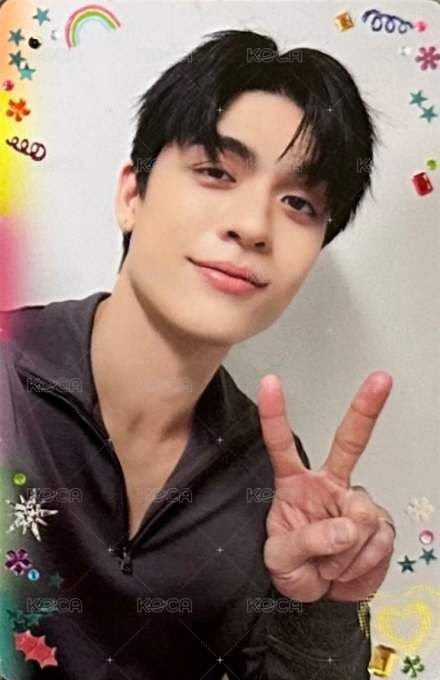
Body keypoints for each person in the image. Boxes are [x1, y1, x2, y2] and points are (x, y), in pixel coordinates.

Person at [0, 28, 396, 680]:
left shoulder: (275, 481)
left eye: (299, 203)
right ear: (133, 194)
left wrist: (325, 604)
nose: (253, 225)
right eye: (216, 171)